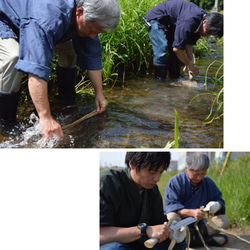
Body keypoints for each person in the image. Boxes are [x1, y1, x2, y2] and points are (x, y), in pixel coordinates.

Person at [0, 0, 120, 140]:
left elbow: (91, 55)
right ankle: (7, 122)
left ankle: (66, 100)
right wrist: (45, 117)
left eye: (97, 32)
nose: (93, 35)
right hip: (5, 19)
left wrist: (99, 94)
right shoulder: (46, 17)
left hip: (32, 20)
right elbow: (36, 67)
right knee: (13, 57)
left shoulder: (89, 15)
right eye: (93, 30)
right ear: (79, 12)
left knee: (70, 50)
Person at [100, 152, 186, 250]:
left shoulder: (152, 190)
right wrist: (143, 230)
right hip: (111, 244)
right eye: (152, 172)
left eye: (161, 172)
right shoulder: (106, 182)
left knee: (178, 242)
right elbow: (100, 235)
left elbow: (158, 224)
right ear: (132, 164)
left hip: (141, 243)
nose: (157, 178)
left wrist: (169, 230)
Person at [144, 0, 223, 80]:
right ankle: (159, 81)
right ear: (205, 22)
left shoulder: (202, 23)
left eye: (210, 34)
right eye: (208, 31)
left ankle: (174, 79)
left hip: (171, 23)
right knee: (162, 49)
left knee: (175, 56)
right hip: (156, 19)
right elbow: (177, 49)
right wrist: (189, 64)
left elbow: (189, 44)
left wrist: (191, 61)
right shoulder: (190, 21)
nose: (207, 36)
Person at [164, 152, 230, 248]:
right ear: (187, 169)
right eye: (196, 174)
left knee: (224, 220)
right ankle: (201, 239)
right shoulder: (175, 182)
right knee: (171, 217)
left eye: (203, 173)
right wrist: (192, 212)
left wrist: (216, 206)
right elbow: (171, 207)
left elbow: (220, 201)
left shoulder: (208, 182)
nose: (199, 177)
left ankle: (191, 239)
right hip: (182, 223)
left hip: (201, 225)